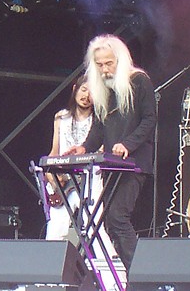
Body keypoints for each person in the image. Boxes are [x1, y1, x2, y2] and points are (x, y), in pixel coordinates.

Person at [64, 34, 156, 276]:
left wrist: (128, 144)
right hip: (111, 164)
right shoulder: (103, 89)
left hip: (134, 163)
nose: (104, 69)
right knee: (109, 224)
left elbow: (149, 120)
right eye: (100, 65)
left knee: (117, 218)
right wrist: (84, 148)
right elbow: (99, 127)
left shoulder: (139, 81)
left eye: (108, 63)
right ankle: (133, 276)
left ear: (120, 59)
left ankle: (141, 277)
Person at [44, 75, 117, 259]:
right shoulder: (61, 117)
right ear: (75, 89)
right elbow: (55, 151)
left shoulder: (99, 121)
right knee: (56, 229)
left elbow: (99, 151)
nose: (87, 95)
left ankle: (112, 274)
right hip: (63, 181)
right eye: (84, 90)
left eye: (93, 92)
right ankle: (48, 277)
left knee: (93, 225)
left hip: (89, 177)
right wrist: (51, 177)